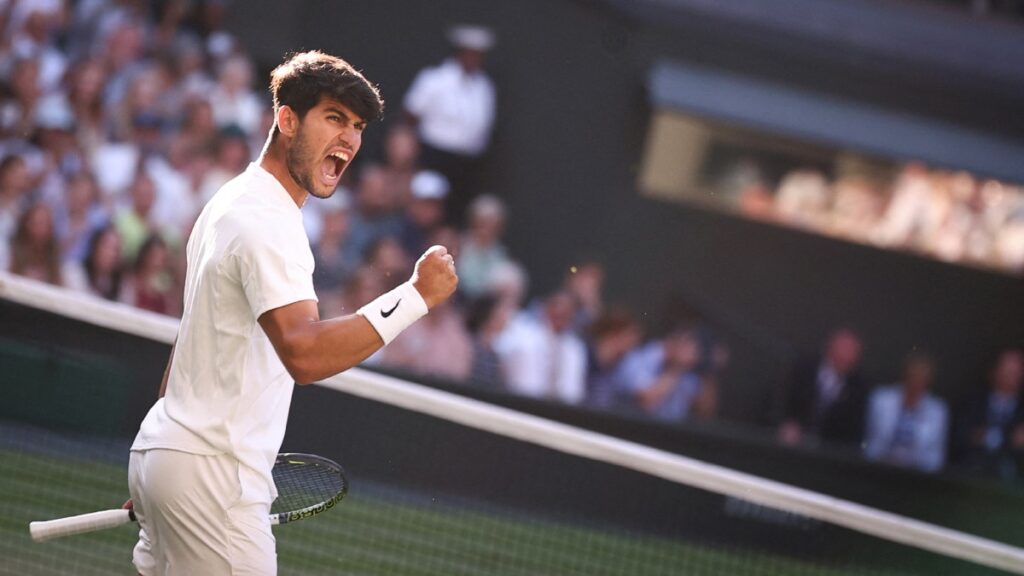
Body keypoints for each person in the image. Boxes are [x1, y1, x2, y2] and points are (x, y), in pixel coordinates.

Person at [126, 51, 458, 576]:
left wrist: (165, 467)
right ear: (286, 120)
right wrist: (415, 297)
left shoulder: (231, 199)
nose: (349, 138)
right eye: (333, 118)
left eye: (357, 126)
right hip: (213, 475)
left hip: (168, 451)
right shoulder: (267, 221)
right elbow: (303, 354)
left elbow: (192, 339)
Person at [402, 24, 496, 215]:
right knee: (427, 206)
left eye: (478, 55)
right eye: (469, 53)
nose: (473, 59)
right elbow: (411, 112)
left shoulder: (485, 87)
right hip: (434, 155)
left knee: (456, 212)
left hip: (467, 163)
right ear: (460, 53)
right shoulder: (435, 79)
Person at [778, 329, 868, 447]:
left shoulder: (858, 388)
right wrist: (786, 425)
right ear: (830, 348)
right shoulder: (802, 370)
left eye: (853, 351)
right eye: (844, 348)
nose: (847, 356)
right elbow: (780, 401)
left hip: (828, 453)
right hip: (790, 443)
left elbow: (853, 431)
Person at [863, 352, 949, 472]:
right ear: (905, 375)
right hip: (877, 468)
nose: (916, 382)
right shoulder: (881, 399)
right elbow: (868, 442)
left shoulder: (938, 411)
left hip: (916, 477)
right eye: (913, 376)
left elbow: (936, 457)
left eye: (921, 378)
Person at [953, 349, 1024, 480]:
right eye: (1007, 369)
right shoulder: (972, 402)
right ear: (995, 370)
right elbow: (959, 438)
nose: (1011, 375)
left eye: (1017, 371)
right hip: (970, 477)